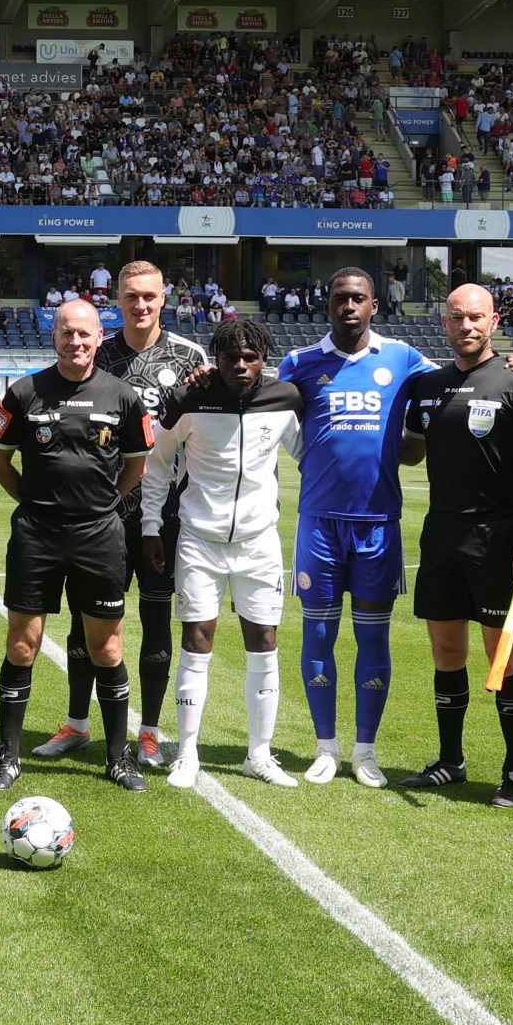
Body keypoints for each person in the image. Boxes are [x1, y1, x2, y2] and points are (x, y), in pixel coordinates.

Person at [35, 261, 204, 771]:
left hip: (163, 516)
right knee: (88, 623)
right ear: (117, 301)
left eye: (149, 296)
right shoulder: (96, 353)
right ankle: (77, 724)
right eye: (131, 296)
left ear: (164, 298)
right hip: (96, 515)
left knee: (155, 619)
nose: (141, 304)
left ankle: (149, 731)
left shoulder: (189, 357)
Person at [275, 268, 438, 787]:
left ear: (374, 306)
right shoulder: (300, 364)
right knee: (318, 633)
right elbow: (274, 421)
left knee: (374, 639)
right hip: (319, 525)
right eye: (340, 298)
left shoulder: (404, 359)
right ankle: (325, 748)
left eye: (359, 299)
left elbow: (459, 378)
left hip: (377, 526)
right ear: (328, 305)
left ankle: (365, 751)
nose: (349, 306)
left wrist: (509, 364)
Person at [0, 299, 152, 793]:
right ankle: (8, 756)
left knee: (107, 647)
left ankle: (118, 757)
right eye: (66, 333)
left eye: (84, 334)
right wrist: (35, 504)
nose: (75, 342)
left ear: (100, 337)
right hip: (36, 535)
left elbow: (135, 467)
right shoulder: (23, 392)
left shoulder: (123, 397)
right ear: (53, 336)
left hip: (98, 535)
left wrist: (100, 506)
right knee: (22, 644)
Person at [394, 285, 513, 805]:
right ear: (444, 323)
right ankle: (450, 761)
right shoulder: (427, 385)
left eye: (476, 317)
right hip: (442, 533)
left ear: (494, 320)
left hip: (498, 536)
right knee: (445, 652)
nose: (467, 325)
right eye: (457, 317)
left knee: (502, 657)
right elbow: (411, 454)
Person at [143, 316, 299, 789]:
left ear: (264, 360)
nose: (241, 365)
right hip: (199, 541)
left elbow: (311, 456)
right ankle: (187, 754)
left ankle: (259, 754)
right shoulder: (190, 400)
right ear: (218, 359)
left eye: (251, 357)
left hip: (259, 544)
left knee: (265, 643)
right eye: (231, 357)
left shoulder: (285, 399)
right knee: (197, 641)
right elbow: (158, 463)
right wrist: (151, 527)